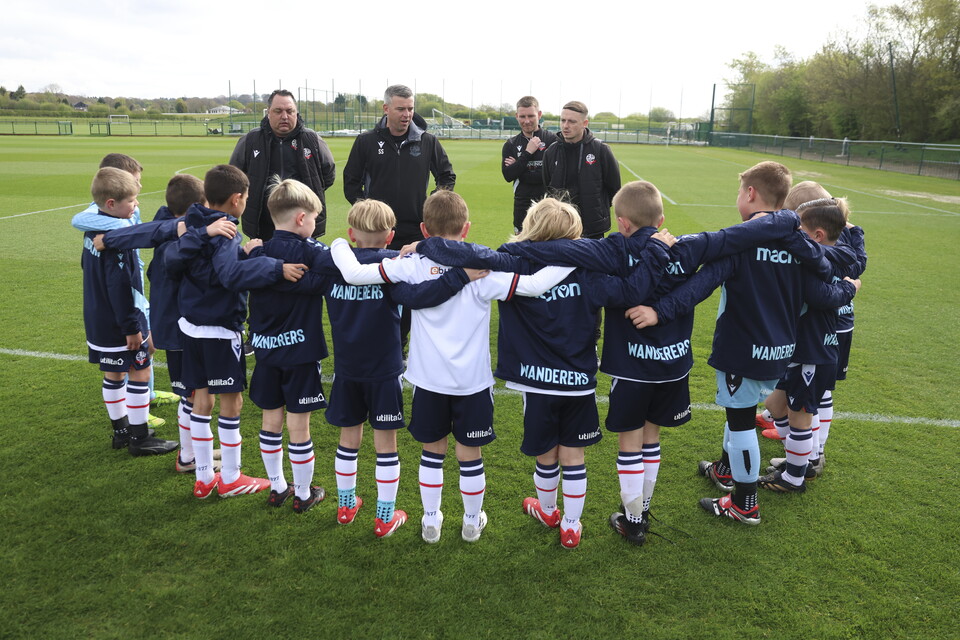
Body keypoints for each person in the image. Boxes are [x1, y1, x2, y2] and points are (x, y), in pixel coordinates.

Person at [329, 190, 573, 544]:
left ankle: (431, 520)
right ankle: (471, 521)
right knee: (469, 454)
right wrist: (576, 256)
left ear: (424, 231)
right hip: (471, 383)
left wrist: (337, 242)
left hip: (428, 380)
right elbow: (535, 285)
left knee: (432, 452)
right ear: (467, 228)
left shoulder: (410, 264)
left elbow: (353, 273)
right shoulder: (484, 270)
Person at [628, 161, 858, 525]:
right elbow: (823, 287)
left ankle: (744, 502)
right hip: (782, 350)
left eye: (740, 191)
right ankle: (725, 470)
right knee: (743, 408)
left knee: (740, 421)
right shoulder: (800, 246)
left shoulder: (742, 242)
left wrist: (659, 312)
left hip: (742, 350)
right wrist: (849, 287)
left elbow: (700, 286)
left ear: (750, 193)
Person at [165, 165, 308, 500]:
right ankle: (230, 477)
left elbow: (178, 262)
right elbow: (229, 275)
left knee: (201, 400)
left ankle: (203, 477)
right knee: (232, 403)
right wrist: (274, 267)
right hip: (218, 329)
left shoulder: (196, 225)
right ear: (237, 199)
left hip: (190, 327)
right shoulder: (228, 230)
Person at [94, 174, 236, 473]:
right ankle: (189, 458)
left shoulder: (164, 225)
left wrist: (108, 239)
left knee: (191, 393)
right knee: (193, 394)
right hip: (180, 326)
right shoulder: (185, 232)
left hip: (167, 322)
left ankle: (192, 452)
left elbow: (144, 231)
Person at [761, 182, 867, 477]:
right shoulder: (840, 248)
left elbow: (824, 292)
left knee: (811, 404)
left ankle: (808, 461)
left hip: (821, 337)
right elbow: (857, 263)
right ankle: (802, 457)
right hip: (808, 335)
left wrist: (848, 288)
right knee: (782, 402)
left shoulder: (817, 253)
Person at [72, 153, 178, 427]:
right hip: (126, 300)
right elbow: (78, 219)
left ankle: (144, 400)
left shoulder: (120, 214)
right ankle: (137, 418)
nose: (139, 189)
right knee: (135, 357)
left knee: (146, 348)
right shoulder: (101, 221)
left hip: (131, 291)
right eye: (134, 183)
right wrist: (121, 232)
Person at [343, 84, 456, 250]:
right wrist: (367, 212)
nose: (407, 114)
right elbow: (351, 182)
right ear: (386, 109)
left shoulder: (428, 141)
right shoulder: (366, 141)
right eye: (401, 109)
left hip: (417, 230)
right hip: (377, 230)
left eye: (410, 109)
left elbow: (447, 176)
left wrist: (431, 205)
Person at [229, 89, 336, 241]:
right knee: (264, 257)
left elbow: (328, 173)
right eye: (278, 111)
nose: (284, 116)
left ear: (296, 113)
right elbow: (235, 176)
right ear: (268, 112)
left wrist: (307, 192)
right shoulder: (251, 140)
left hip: (303, 224)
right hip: (262, 225)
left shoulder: (312, 139)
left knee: (302, 257)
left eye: (289, 111)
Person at [542, 101, 620, 239]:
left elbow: (614, 188)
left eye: (572, 121)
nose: (565, 126)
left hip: (592, 229)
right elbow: (547, 186)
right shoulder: (551, 152)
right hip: (559, 227)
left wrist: (597, 209)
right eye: (563, 120)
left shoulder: (600, 150)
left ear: (585, 123)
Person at [502, 96, 557, 233]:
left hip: (548, 206)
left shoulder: (553, 141)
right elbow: (508, 176)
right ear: (517, 116)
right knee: (521, 243)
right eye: (522, 116)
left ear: (539, 114)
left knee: (548, 244)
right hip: (522, 206)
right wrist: (527, 153)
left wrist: (520, 170)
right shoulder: (511, 144)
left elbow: (553, 175)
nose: (526, 121)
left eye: (531, 116)